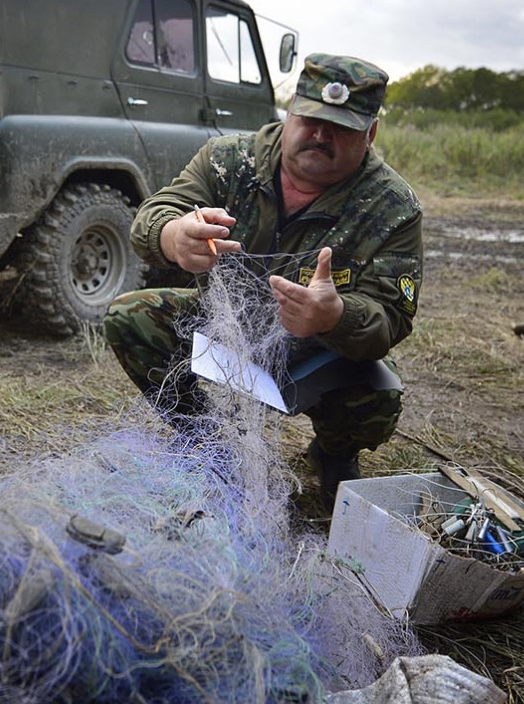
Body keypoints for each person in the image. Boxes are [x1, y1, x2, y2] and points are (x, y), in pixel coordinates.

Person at [103, 53, 423, 508]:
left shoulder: (393, 207)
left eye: (342, 127)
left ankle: (334, 455)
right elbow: (155, 213)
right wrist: (174, 237)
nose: (320, 135)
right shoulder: (228, 160)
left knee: (375, 399)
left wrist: (334, 315)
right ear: (289, 112)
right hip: (226, 326)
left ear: (370, 133)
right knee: (129, 317)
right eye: (310, 119)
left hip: (317, 352)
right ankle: (206, 440)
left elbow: (390, 318)